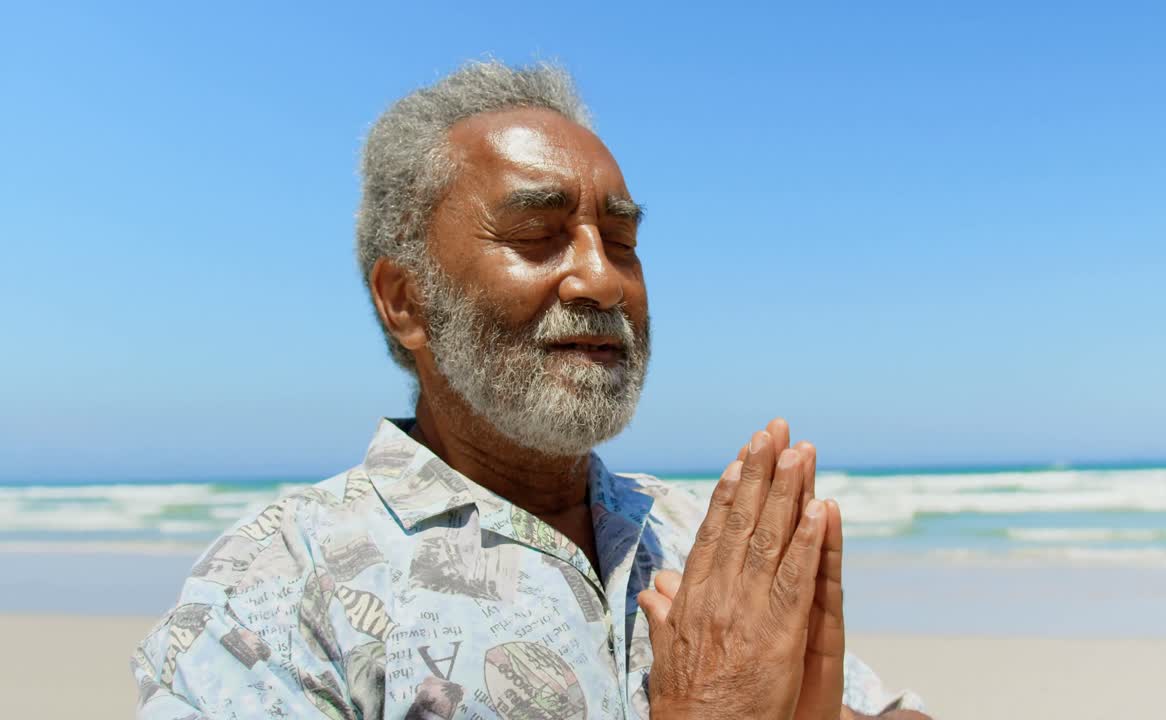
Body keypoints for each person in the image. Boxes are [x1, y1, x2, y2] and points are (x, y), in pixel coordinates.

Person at [131, 60, 929, 720]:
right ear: (407, 300)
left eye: (621, 242)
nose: (603, 280)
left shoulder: (700, 539)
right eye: (538, 237)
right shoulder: (283, 583)